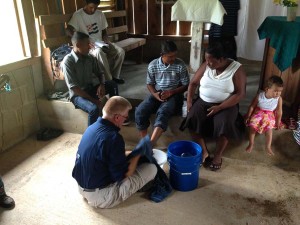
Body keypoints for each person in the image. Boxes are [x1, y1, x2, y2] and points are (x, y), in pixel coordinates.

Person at [72, 96, 157, 208]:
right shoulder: (113, 138)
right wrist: (137, 154)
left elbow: (106, 154)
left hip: (81, 187)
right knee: (151, 169)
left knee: (126, 157)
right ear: (117, 117)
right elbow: (123, 176)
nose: (125, 120)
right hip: (101, 196)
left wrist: (131, 153)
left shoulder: (91, 128)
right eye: (125, 117)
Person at [180, 42, 246, 171]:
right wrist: (189, 102)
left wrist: (220, 107)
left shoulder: (236, 69)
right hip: (203, 101)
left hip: (226, 104)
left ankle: (217, 155)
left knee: (224, 123)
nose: (208, 64)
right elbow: (193, 83)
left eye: (211, 61)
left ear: (221, 59)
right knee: (192, 117)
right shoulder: (207, 65)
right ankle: (204, 151)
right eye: (206, 60)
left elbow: (240, 94)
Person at [135, 40, 189, 145]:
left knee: (163, 111)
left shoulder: (180, 65)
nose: (173, 59)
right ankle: (144, 141)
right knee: (140, 110)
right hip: (158, 93)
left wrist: (171, 92)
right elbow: (149, 84)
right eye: (170, 56)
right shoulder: (153, 65)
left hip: (174, 94)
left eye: (175, 55)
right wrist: (155, 94)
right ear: (162, 55)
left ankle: (151, 144)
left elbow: (186, 85)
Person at [61, 31, 119, 126]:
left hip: (89, 90)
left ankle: (115, 114)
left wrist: (102, 84)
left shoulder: (89, 58)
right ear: (78, 45)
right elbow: (74, 88)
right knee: (94, 109)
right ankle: (91, 136)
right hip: (77, 96)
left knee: (112, 84)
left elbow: (100, 73)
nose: (90, 46)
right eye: (87, 44)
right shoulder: (68, 62)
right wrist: (94, 101)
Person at [66, 0, 125, 84]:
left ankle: (115, 76)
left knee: (120, 51)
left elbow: (104, 31)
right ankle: (109, 80)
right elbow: (68, 30)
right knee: (99, 52)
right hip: (88, 45)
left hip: (100, 43)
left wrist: (106, 40)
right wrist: (80, 41)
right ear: (86, 4)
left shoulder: (100, 14)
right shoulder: (78, 15)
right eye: (91, 7)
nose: (93, 10)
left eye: (95, 7)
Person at [244, 75, 284, 156]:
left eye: (280, 91)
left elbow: (279, 111)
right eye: (275, 91)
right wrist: (248, 116)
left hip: (269, 114)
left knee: (269, 129)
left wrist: (278, 122)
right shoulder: (260, 96)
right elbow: (252, 106)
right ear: (267, 89)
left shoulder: (279, 99)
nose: (278, 93)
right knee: (253, 126)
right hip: (258, 112)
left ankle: (268, 146)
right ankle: (251, 143)